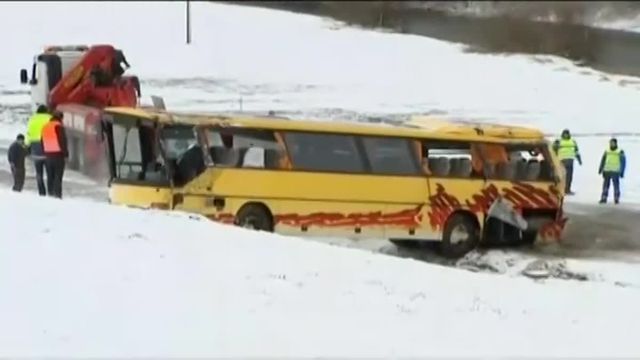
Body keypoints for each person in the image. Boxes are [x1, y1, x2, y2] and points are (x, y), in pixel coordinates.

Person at [25, 104, 52, 196]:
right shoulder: (49, 118)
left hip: (35, 148)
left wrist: (27, 146)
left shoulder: (32, 119)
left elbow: (28, 134)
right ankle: (51, 191)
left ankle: (41, 192)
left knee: (39, 172)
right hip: (47, 146)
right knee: (49, 172)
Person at [41, 111, 68, 198]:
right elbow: (62, 141)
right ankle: (57, 195)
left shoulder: (45, 127)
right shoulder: (58, 126)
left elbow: (42, 141)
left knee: (50, 176)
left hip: (48, 155)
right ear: (60, 118)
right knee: (57, 176)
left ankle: (50, 193)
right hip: (58, 155)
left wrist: (45, 151)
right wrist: (65, 153)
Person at [553, 129, 582, 195]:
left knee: (569, 177)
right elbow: (553, 151)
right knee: (562, 177)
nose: (566, 135)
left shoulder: (573, 142)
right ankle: (561, 190)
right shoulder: (558, 142)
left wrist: (579, 160)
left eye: (567, 134)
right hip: (561, 161)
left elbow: (576, 152)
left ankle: (567, 190)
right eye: (565, 134)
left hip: (570, 161)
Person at [598, 137, 626, 204]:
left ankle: (616, 198)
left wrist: (622, 171)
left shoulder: (620, 151)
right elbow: (603, 160)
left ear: (616, 143)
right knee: (605, 185)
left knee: (616, 185)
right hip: (607, 170)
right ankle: (604, 198)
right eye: (610, 143)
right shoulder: (607, 151)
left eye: (612, 143)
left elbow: (623, 162)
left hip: (615, 171)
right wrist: (600, 169)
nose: (611, 144)